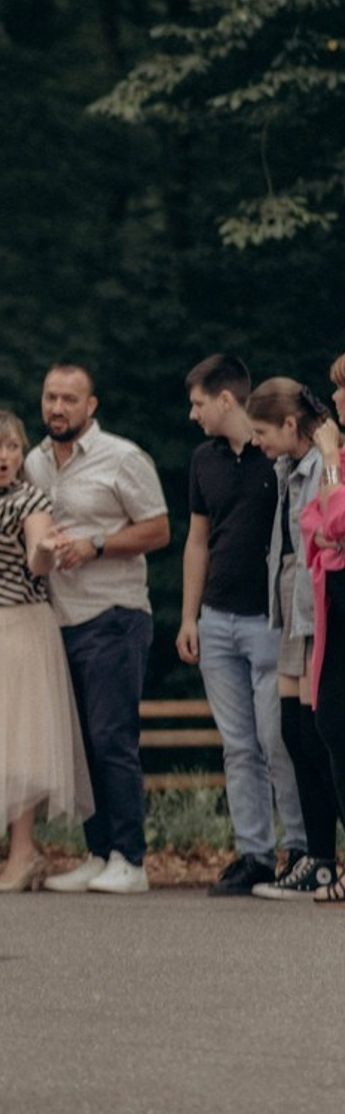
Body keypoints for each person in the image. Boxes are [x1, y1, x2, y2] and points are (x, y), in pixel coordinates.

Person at [26, 363, 170, 896]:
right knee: (81, 745)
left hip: (113, 613)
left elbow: (159, 528)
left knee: (112, 738)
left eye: (69, 399)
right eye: (50, 397)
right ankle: (97, 850)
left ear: (92, 406)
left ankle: (131, 858)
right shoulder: (33, 462)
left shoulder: (123, 457)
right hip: (57, 618)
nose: (57, 408)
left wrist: (96, 545)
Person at [0, 410, 93, 891]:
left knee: (21, 743)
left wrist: (47, 550)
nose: (4, 456)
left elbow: (37, 554)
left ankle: (24, 851)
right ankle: (16, 852)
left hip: (21, 627)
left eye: (12, 447)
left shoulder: (31, 499)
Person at [175, 356, 305, 896]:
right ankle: (252, 853)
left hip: (268, 620)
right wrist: (189, 616)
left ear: (226, 400)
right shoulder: (203, 460)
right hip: (217, 621)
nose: (192, 414)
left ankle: (298, 847)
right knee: (237, 746)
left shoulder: (272, 455)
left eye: (198, 403)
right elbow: (197, 540)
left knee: (277, 741)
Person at [246, 378, 339, 898]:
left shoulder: (321, 466)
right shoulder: (284, 469)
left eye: (262, 431)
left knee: (316, 734)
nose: (256, 441)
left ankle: (326, 855)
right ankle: (315, 856)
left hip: (314, 604)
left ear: (288, 424)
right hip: (287, 603)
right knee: (291, 734)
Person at [295, 359, 345, 903]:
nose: (334, 401)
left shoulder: (336, 458)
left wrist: (329, 459)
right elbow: (314, 530)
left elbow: (337, 525)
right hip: (335, 605)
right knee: (331, 723)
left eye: (342, 389)